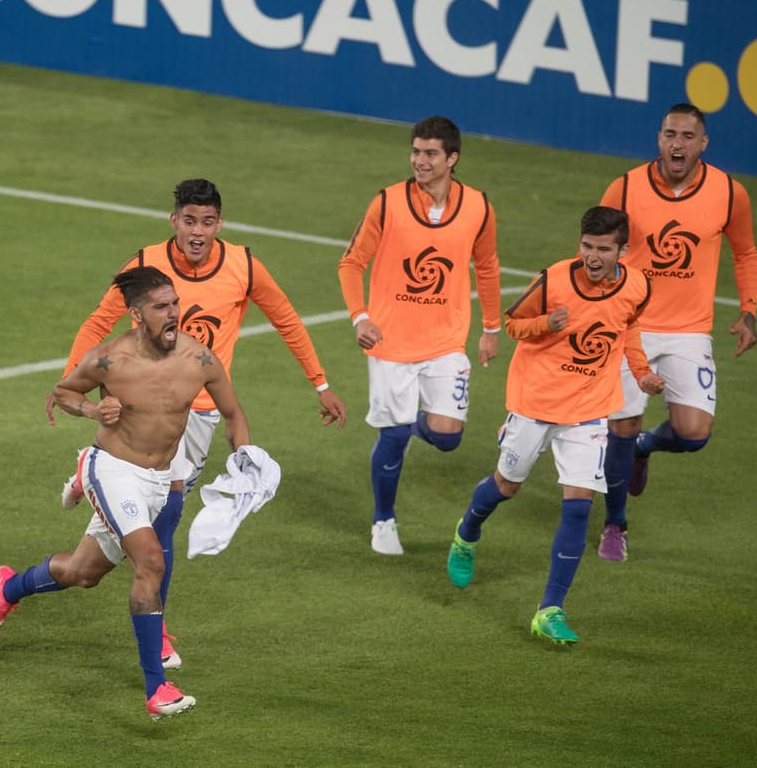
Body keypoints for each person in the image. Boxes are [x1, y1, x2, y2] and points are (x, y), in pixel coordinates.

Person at [48, 177, 345, 667]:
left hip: (199, 415)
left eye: (207, 222)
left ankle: (89, 471)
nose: (198, 232)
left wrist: (320, 383)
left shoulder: (245, 266)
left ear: (220, 224)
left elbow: (286, 319)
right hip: (143, 408)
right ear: (175, 222)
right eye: (189, 221)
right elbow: (99, 322)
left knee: (124, 540)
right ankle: (158, 630)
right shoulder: (145, 265)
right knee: (164, 523)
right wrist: (69, 381)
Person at [0, 266, 251, 720]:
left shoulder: (200, 360)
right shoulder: (111, 360)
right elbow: (64, 392)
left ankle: (9, 586)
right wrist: (93, 408)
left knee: (82, 573)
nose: (174, 314)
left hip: (158, 479)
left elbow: (232, 413)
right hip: (111, 469)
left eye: (175, 304)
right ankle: (157, 688)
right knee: (151, 560)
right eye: (161, 307)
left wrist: (247, 460)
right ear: (135, 314)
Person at [445, 207, 663, 644]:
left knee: (579, 505)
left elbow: (628, 329)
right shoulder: (555, 280)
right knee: (506, 486)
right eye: (586, 246)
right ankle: (467, 534)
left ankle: (550, 609)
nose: (593, 257)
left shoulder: (638, 286)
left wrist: (640, 373)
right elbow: (512, 324)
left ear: (623, 250)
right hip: (535, 400)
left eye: (603, 249)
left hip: (588, 407)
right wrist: (548, 323)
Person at [596, 102, 757, 561]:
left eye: (688, 137)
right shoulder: (625, 187)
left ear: (703, 144)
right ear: (659, 138)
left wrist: (748, 311)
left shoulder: (730, 193)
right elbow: (596, 250)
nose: (677, 144)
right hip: (632, 326)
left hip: (690, 331)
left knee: (693, 433)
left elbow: (745, 254)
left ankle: (648, 446)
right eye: (670, 134)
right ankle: (615, 524)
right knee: (621, 425)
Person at [338, 116, 502, 554]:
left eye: (430, 154)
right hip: (390, 344)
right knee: (391, 437)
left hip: (446, 342)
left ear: (452, 158)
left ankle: (406, 426)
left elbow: (486, 267)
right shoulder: (388, 202)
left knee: (448, 436)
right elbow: (351, 263)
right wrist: (360, 318)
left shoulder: (478, 207)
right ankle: (384, 520)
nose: (420, 161)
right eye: (415, 152)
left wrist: (491, 328)